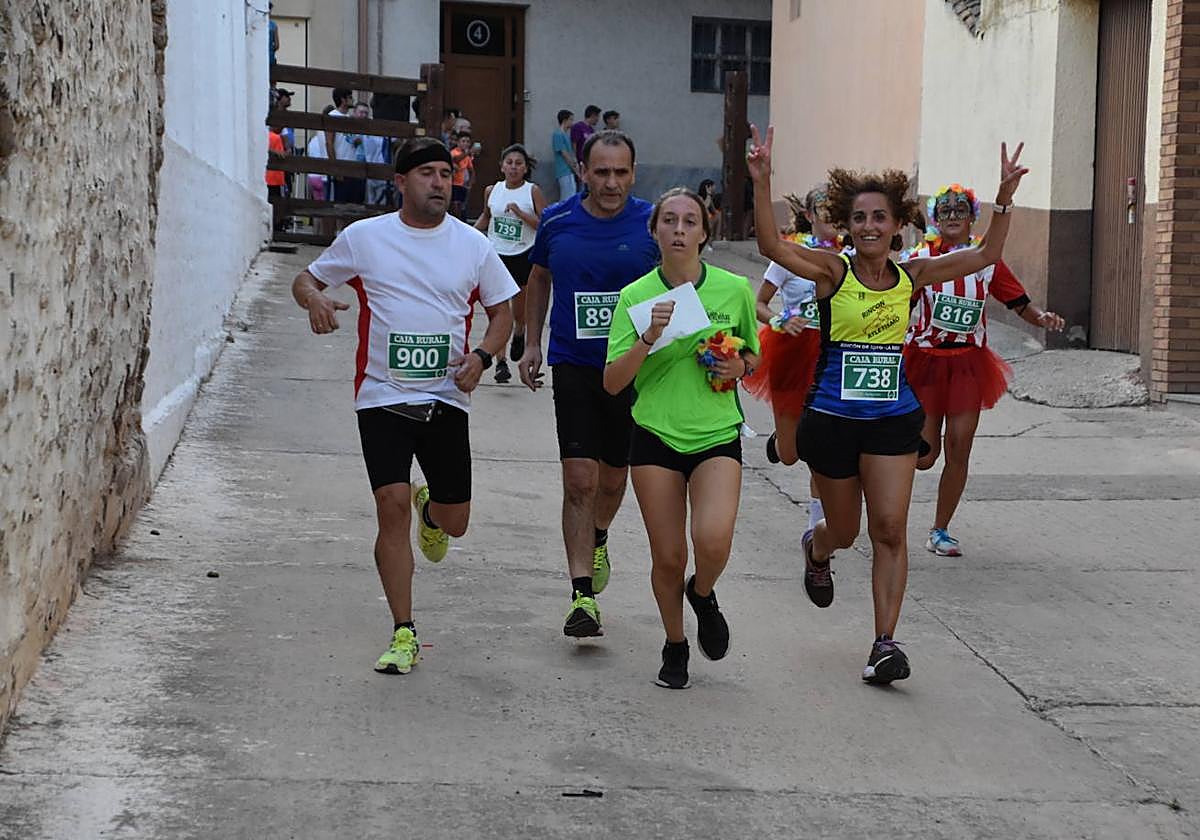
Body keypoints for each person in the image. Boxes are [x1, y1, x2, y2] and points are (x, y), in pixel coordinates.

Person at [747, 125, 1029, 685]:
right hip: (832, 420)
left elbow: (987, 254)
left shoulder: (913, 275)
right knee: (844, 532)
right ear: (847, 226)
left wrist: (1002, 200)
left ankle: (884, 645)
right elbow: (772, 248)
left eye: (880, 217)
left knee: (891, 529)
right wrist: (761, 181)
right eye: (859, 218)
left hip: (892, 420)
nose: (870, 226)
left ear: (898, 223)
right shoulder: (832, 271)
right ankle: (817, 550)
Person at [290, 137, 518, 675]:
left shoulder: (472, 245)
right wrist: (315, 299)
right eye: (426, 174)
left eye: (445, 174)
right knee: (389, 505)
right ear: (400, 182)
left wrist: (483, 357)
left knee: (456, 523)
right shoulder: (365, 238)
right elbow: (306, 278)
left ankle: (431, 511)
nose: (439, 183)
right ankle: (404, 631)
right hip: (382, 395)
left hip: (446, 397)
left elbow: (503, 312)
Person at [603, 188, 759, 689]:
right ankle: (675, 643)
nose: (678, 230)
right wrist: (648, 337)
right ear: (654, 231)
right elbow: (613, 382)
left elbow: (753, 356)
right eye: (668, 220)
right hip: (655, 435)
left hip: (716, 433)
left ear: (704, 233)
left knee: (713, 541)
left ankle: (703, 592)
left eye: (690, 221)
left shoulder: (734, 289)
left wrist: (739, 366)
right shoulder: (635, 297)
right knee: (668, 556)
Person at [518, 130, 660, 637]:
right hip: (575, 364)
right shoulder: (557, 220)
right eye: (601, 172)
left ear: (634, 173)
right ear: (582, 172)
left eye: (621, 172)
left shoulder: (652, 222)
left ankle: (599, 536)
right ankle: (581, 597)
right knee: (580, 479)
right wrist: (531, 343)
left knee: (614, 478)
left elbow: (683, 280)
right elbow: (539, 278)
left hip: (634, 368)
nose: (611, 182)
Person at [906, 183, 1065, 556]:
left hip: (967, 364)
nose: (952, 217)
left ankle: (940, 530)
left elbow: (1018, 300)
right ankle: (879, 487)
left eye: (960, 211)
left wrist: (1040, 318)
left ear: (972, 218)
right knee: (924, 457)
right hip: (925, 362)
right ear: (935, 218)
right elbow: (897, 303)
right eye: (945, 211)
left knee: (959, 447)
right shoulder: (920, 259)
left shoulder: (985, 260)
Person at [742, 186, 844, 532]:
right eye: (824, 209)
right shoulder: (788, 255)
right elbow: (758, 304)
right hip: (791, 351)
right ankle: (779, 441)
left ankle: (817, 526)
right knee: (790, 454)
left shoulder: (850, 257)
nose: (831, 217)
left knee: (822, 446)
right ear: (809, 215)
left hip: (831, 356)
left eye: (837, 209)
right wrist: (779, 320)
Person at [474, 144, 548, 383]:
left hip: (524, 254)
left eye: (518, 163)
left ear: (525, 168)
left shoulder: (532, 191)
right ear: (502, 166)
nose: (513, 167)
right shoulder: (492, 190)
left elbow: (545, 225)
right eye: (509, 163)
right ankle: (501, 363)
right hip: (497, 254)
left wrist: (520, 213)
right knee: (498, 311)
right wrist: (469, 234)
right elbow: (487, 217)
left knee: (519, 310)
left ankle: (519, 331)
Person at [325, 88, 365, 205]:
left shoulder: (349, 118)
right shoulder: (333, 116)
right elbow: (329, 143)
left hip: (354, 165)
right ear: (343, 100)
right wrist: (335, 168)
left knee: (355, 204)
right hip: (342, 166)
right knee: (341, 204)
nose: (353, 100)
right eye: (350, 97)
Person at [450, 130, 476, 220]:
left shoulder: (467, 156)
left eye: (468, 141)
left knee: (462, 206)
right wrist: (467, 153)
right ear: (458, 142)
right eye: (463, 141)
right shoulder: (454, 152)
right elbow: (455, 159)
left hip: (463, 184)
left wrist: (470, 183)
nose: (466, 143)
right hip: (454, 183)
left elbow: (471, 169)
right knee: (455, 205)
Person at [552, 109, 577, 200]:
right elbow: (565, 154)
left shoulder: (565, 135)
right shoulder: (558, 135)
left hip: (569, 171)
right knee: (566, 197)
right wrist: (576, 170)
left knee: (571, 195)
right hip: (563, 171)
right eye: (571, 119)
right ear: (565, 120)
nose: (572, 122)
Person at [571, 105, 601, 172]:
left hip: (589, 162)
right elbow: (574, 144)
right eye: (597, 117)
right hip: (580, 162)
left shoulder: (591, 130)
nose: (598, 120)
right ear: (593, 115)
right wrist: (575, 160)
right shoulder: (578, 127)